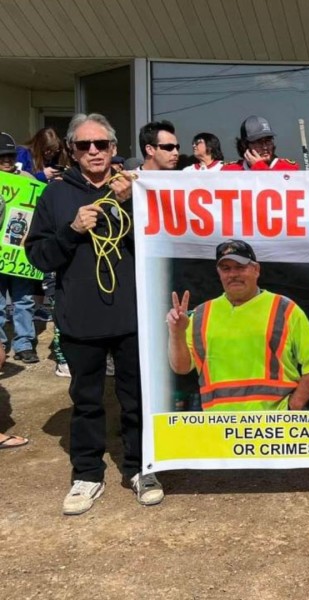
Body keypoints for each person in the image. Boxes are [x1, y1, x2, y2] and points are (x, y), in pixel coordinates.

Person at [25, 112, 164, 515]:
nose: (93, 152)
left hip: (131, 315)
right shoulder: (55, 195)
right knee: (85, 401)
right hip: (81, 317)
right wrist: (71, 230)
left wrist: (131, 208)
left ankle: (141, 468)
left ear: (114, 149)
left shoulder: (137, 189)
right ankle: (87, 474)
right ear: (71, 151)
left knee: (136, 397)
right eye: (84, 145)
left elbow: (162, 244)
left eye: (100, 144)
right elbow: (38, 257)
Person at [167, 239, 309, 411]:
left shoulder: (284, 309)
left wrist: (295, 405)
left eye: (240, 267)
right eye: (226, 268)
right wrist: (177, 333)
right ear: (219, 273)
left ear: (256, 270)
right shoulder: (200, 314)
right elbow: (181, 367)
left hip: (272, 426)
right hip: (218, 427)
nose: (233, 274)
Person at [0, 132, 39, 364]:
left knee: (24, 299)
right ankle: (1, 344)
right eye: (1, 157)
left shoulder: (27, 179)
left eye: (9, 156)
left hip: (20, 254)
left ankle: (24, 342)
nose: (5, 161)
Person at [222, 115, 299, 171]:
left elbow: (276, 189)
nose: (265, 147)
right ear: (244, 145)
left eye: (268, 141)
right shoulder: (230, 170)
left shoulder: (287, 167)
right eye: (258, 142)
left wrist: (259, 166)